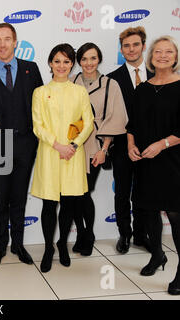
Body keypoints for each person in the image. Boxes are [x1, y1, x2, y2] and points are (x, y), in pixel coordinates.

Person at [0, 23, 43, 268]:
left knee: (19, 198)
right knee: (1, 199)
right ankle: (0, 246)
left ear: (15, 42)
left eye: (7, 39)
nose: (2, 44)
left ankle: (18, 244)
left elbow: (41, 108)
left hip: (26, 144)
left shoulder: (31, 69)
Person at [30, 43, 94, 273]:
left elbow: (88, 122)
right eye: (57, 61)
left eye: (66, 61)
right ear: (50, 63)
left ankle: (62, 244)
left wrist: (73, 145)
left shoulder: (79, 91)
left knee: (69, 203)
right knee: (49, 204)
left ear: (72, 64)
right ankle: (48, 248)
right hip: (50, 153)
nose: (61, 66)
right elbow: (38, 126)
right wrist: (58, 145)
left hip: (72, 155)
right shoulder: (39, 92)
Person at [126, 35, 180, 295]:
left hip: (173, 161)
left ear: (175, 56)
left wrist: (163, 144)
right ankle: (157, 254)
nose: (162, 55)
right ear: (151, 56)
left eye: (168, 52)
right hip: (145, 160)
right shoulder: (142, 88)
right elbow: (132, 124)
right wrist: (130, 145)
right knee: (147, 211)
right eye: (158, 51)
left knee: (175, 215)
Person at [70, 43, 128, 256]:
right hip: (73, 144)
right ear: (79, 61)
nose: (88, 63)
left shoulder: (110, 84)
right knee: (73, 193)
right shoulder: (71, 81)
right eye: (84, 59)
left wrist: (104, 148)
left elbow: (116, 118)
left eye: (93, 58)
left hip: (95, 145)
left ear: (99, 59)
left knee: (84, 191)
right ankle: (80, 233)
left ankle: (89, 234)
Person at [107, 26, 153, 254]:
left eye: (135, 44)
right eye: (126, 46)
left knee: (145, 192)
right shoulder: (111, 79)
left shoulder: (158, 75)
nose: (131, 49)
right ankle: (124, 234)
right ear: (121, 50)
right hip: (122, 146)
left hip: (153, 148)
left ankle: (141, 234)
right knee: (122, 191)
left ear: (143, 46)